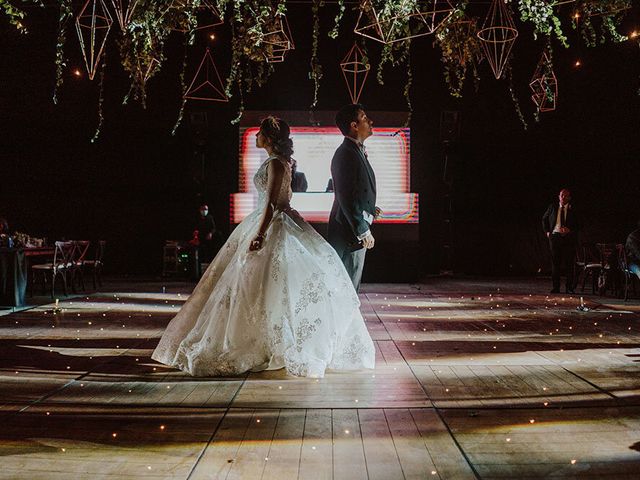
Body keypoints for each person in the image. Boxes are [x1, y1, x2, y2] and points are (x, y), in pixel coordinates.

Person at [152, 116, 375, 378]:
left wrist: (259, 235)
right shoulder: (280, 162)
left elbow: (271, 204)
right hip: (271, 221)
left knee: (268, 286)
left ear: (268, 138)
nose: (256, 136)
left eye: (259, 133)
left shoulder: (276, 164)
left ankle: (268, 343)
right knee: (258, 287)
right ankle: (268, 340)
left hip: (273, 224)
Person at [328, 104, 380, 291]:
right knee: (347, 287)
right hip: (348, 231)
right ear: (354, 125)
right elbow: (346, 196)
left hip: (352, 228)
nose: (370, 121)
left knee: (351, 284)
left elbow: (357, 191)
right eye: (365, 118)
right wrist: (362, 230)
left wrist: (371, 209)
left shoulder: (355, 151)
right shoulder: (345, 154)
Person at [542, 188, 580, 294]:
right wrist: (547, 232)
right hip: (555, 237)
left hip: (568, 239)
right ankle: (556, 287)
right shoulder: (553, 207)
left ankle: (569, 287)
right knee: (555, 263)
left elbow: (579, 225)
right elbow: (544, 219)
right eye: (562, 195)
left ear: (569, 198)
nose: (563, 197)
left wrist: (570, 230)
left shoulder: (574, 209)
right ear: (559, 196)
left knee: (569, 264)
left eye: (566, 196)